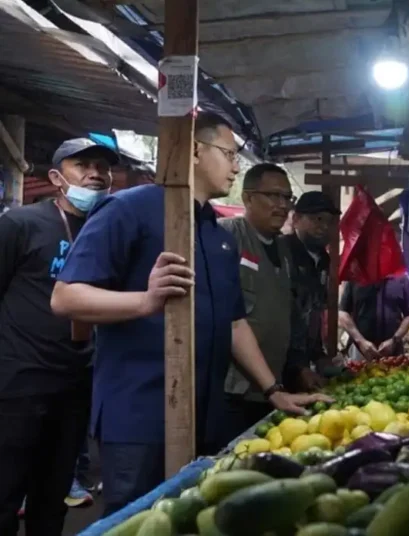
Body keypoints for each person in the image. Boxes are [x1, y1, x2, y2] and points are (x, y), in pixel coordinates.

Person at [49, 112, 328, 515]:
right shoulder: (128, 209)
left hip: (204, 416)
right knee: (138, 521)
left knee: (187, 518)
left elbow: (234, 323)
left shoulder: (218, 235)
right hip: (138, 415)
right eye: (230, 153)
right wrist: (144, 302)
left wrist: (273, 390)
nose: (236, 166)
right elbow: (65, 298)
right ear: (195, 150)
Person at [0, 138, 115, 534]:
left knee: (52, 498)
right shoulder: (21, 224)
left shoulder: (108, 231)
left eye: (102, 167)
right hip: (18, 384)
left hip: (77, 384)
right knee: (5, 490)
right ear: (55, 177)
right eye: (83, 166)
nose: (95, 174)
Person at [218, 163, 317, 442]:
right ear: (247, 197)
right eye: (273, 196)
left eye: (287, 198)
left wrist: (299, 366)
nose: (282, 205)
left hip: (270, 387)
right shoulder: (227, 235)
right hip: (231, 390)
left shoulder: (284, 249)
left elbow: (290, 313)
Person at [281, 191, 340, 392]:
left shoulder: (323, 261)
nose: (324, 227)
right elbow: (285, 316)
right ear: (296, 219)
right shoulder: (282, 253)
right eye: (317, 219)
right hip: (278, 364)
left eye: (329, 221)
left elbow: (314, 313)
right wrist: (299, 366)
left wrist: (318, 355)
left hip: (302, 364)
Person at [339, 273, 409, 361]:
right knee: (357, 374)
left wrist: (394, 340)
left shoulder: (401, 279)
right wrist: (360, 341)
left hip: (393, 352)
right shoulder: (355, 277)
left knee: (395, 374)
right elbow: (343, 312)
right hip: (359, 350)